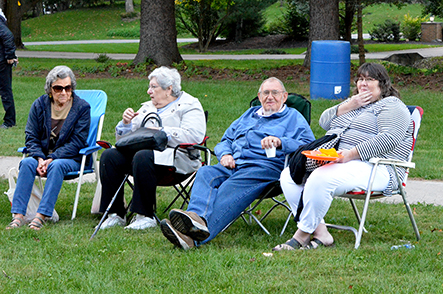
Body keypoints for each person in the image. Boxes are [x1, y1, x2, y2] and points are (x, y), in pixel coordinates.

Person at [160, 77, 315, 250]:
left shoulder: (293, 117)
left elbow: (309, 145)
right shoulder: (249, 115)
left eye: (275, 93)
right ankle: (196, 219)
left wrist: (281, 141)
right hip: (234, 164)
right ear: (259, 96)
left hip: (263, 168)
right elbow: (225, 139)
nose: (270, 97)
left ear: (284, 96)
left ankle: (194, 239)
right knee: (205, 173)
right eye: (266, 93)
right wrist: (225, 154)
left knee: (230, 188)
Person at [272, 63, 414, 250]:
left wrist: (351, 154)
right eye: (360, 79)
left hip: (378, 167)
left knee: (320, 177)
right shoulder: (355, 104)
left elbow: (389, 139)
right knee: (289, 175)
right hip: (340, 161)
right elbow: (324, 121)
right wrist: (350, 104)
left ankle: (301, 236)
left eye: (369, 79)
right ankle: (321, 232)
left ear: (382, 84)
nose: (363, 83)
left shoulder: (392, 105)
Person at [98, 66, 206, 230]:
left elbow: (194, 136)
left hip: (177, 161)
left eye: (153, 87)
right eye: (150, 86)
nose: (149, 91)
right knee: (109, 156)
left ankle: (145, 216)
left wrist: (162, 132)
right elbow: (125, 141)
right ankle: (115, 214)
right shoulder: (148, 107)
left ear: (169, 89)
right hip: (143, 160)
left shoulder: (190, 105)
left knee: (143, 155)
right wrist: (125, 124)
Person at [7, 65, 91, 230]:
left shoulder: (82, 108)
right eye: (58, 88)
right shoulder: (40, 105)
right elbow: (31, 135)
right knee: (26, 163)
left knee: (56, 165)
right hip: (42, 156)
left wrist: (51, 158)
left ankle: (41, 216)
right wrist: (39, 158)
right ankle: (18, 216)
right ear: (50, 89)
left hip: (70, 158)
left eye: (68, 88)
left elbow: (77, 142)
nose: (64, 92)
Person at [0, 9, 18, 129]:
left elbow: (7, 36)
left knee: (5, 90)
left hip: (1, 62)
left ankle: (9, 121)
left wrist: (10, 56)